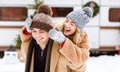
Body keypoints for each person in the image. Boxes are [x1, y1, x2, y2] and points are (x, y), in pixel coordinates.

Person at [20, 4, 93, 72]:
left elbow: (81, 62)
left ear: (78, 29)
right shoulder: (56, 29)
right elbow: (35, 35)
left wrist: (64, 42)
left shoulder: (82, 39)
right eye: (66, 21)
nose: (67, 25)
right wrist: (28, 30)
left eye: (72, 24)